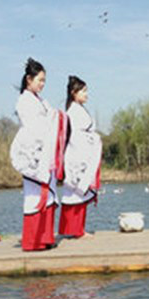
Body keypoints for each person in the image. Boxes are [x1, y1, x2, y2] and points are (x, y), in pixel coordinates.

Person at [10, 58, 67, 251]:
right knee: (35, 196)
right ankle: (33, 241)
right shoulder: (24, 101)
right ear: (29, 79)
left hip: (46, 153)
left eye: (44, 81)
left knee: (48, 196)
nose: (42, 84)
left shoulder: (42, 101)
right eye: (39, 80)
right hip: (32, 152)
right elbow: (33, 128)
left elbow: (52, 117)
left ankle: (46, 237)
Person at [59, 76, 102, 238]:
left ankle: (77, 229)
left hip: (84, 152)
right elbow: (75, 137)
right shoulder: (72, 112)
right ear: (73, 93)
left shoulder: (78, 110)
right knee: (76, 191)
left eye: (86, 91)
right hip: (77, 155)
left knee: (79, 193)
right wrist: (84, 155)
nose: (86, 94)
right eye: (83, 91)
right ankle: (75, 230)